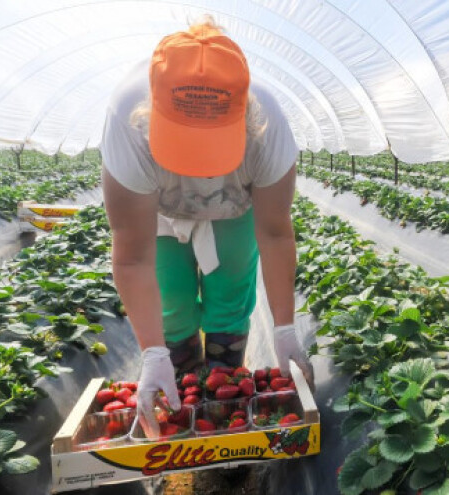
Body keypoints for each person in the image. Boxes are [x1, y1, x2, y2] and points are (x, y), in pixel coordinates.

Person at [100, 18, 313, 436]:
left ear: (246, 117)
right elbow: (133, 255)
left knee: (230, 302)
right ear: (151, 115)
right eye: (183, 144)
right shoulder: (126, 122)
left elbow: (274, 233)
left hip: (234, 209)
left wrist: (285, 329)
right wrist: (152, 353)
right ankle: (179, 389)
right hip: (158, 214)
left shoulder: (269, 128)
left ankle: (223, 397)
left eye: (210, 144)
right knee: (172, 306)